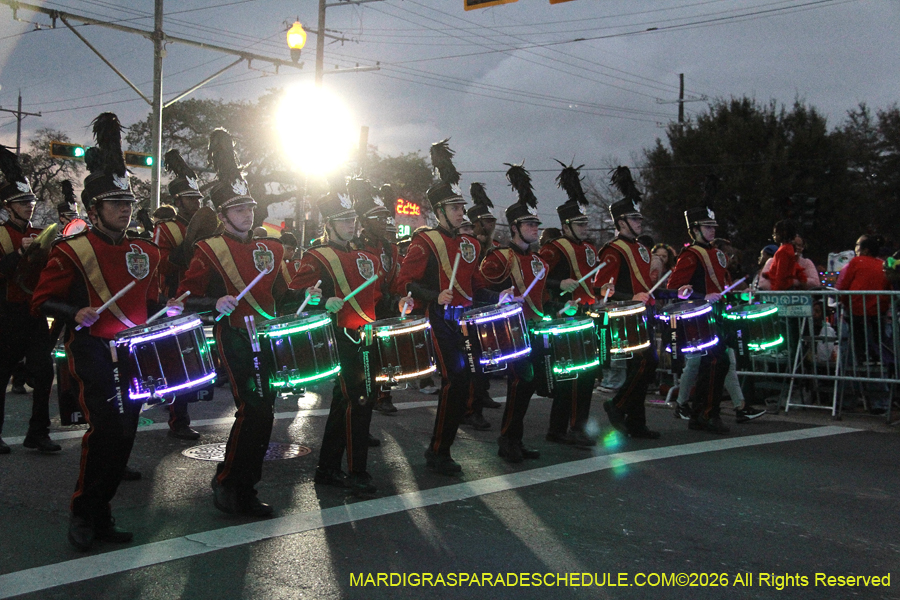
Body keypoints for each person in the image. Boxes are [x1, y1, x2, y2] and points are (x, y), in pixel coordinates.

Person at [31, 113, 175, 550]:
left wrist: (168, 312)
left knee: (127, 431)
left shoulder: (146, 249)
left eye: (128, 203)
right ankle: (84, 512)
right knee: (108, 430)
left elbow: (151, 301)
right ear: (94, 209)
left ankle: (103, 511)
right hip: (93, 350)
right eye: (116, 205)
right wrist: (77, 312)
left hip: (134, 351)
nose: (125, 210)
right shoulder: (72, 250)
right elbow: (42, 300)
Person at [178, 129, 291, 517]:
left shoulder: (272, 248)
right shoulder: (209, 250)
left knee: (266, 411)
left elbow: (286, 293)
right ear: (223, 215)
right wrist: (215, 300)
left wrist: (312, 296)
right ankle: (230, 486)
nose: (248, 214)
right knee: (253, 410)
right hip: (236, 336)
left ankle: (241, 483)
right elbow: (185, 297)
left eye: (251, 208)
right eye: (239, 210)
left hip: (266, 337)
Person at [393, 139, 496, 475]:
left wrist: (498, 297)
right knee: (455, 380)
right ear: (438, 212)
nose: (460, 213)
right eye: (454, 208)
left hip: (465, 320)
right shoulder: (424, 241)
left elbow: (476, 284)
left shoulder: (469, 243)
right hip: (438, 319)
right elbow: (403, 283)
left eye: (460, 207)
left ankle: (444, 447)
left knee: (465, 384)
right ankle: (438, 452)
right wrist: (434, 295)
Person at [290, 185, 381, 496]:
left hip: (367, 336)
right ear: (328, 223)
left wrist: (401, 305)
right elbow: (295, 296)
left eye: (352, 218)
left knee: (352, 404)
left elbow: (379, 297)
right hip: (340, 337)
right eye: (342, 219)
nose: (350, 224)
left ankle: (328, 469)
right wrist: (321, 300)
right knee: (357, 402)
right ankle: (357, 473)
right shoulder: (316, 256)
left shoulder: (366, 256)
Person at [593, 166, 669, 439]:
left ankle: (636, 422)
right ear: (621, 222)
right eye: (633, 218)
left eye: (639, 218)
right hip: (624, 316)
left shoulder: (641, 247)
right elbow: (601, 288)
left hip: (642, 313)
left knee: (647, 366)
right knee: (642, 365)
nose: (639, 222)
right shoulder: (612, 250)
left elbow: (645, 283)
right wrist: (631, 297)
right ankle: (618, 405)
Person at [479, 164, 546, 462]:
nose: (535, 228)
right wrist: (500, 296)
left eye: (536, 224)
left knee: (528, 386)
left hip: (534, 327)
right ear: (515, 227)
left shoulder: (538, 259)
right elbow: (477, 290)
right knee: (520, 384)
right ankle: (507, 440)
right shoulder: (499, 258)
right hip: (510, 331)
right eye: (529, 224)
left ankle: (514, 439)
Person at [0, 144, 60, 455]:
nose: (29, 206)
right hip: (6, 312)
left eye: (31, 201)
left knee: (45, 372)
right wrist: (20, 254)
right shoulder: (0, 234)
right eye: (22, 202)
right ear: (7, 206)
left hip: (34, 311)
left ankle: (37, 432)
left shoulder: (41, 232)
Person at [537, 162, 600, 448]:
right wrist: (558, 286)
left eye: (586, 223)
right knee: (572, 375)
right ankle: (565, 427)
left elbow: (591, 283)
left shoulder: (589, 249)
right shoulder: (553, 249)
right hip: (564, 317)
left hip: (586, 315)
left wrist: (602, 289)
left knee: (587, 374)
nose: (585, 228)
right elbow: (538, 279)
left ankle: (570, 426)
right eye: (580, 224)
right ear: (565, 226)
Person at [666, 202, 732, 434]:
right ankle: (705, 413)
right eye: (707, 226)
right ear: (694, 230)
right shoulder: (691, 255)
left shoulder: (715, 252)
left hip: (715, 315)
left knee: (717, 364)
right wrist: (703, 295)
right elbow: (674, 288)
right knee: (715, 362)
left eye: (713, 226)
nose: (713, 230)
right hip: (700, 318)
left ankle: (703, 413)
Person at [153, 149, 205, 441]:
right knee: (177, 361)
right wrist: (187, 245)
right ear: (177, 201)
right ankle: (178, 420)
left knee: (192, 358)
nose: (196, 203)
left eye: (198, 198)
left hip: (195, 298)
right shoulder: (167, 228)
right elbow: (162, 264)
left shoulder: (206, 225)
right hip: (173, 299)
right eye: (190, 198)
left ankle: (181, 410)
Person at [350, 179, 401, 416]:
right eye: (377, 218)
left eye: (385, 217)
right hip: (360, 316)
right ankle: (359, 420)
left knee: (386, 360)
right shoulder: (353, 246)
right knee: (362, 375)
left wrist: (398, 300)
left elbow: (391, 282)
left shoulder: (390, 248)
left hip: (385, 311)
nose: (384, 222)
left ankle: (383, 396)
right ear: (364, 221)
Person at [461, 181, 503, 430]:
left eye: (492, 222)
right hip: (466, 310)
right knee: (470, 364)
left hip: (484, 306)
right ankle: (469, 408)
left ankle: (480, 397)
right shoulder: (466, 247)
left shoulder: (492, 247)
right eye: (485, 222)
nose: (490, 226)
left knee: (483, 359)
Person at [764, 219, 806, 291]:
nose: (774, 236)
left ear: (783, 233)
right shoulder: (789, 248)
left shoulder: (783, 251)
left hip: (782, 290)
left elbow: (781, 275)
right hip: (787, 287)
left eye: (775, 234)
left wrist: (775, 292)